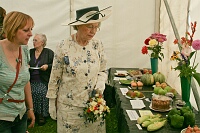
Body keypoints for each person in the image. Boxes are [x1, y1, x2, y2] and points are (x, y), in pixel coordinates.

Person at [46, 6, 112, 132]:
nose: (93, 31)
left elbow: (103, 70)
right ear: (78, 26)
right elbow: (55, 76)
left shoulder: (97, 44)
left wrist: (100, 84)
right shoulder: (63, 46)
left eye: (96, 27)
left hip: (94, 104)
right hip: (69, 109)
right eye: (90, 27)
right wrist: (51, 102)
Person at [0, 11, 35, 133]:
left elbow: (25, 81)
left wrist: (30, 108)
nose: (31, 34)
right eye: (26, 30)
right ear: (13, 30)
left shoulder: (25, 51)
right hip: (2, 118)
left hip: (20, 114)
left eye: (31, 29)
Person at [29, 33, 54, 126]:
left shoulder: (49, 53)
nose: (33, 42)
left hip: (43, 80)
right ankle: (30, 114)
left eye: (35, 40)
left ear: (42, 42)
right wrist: (26, 66)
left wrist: (47, 66)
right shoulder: (30, 52)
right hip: (30, 79)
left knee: (40, 91)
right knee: (28, 91)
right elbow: (23, 63)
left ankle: (40, 115)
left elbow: (55, 65)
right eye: (33, 40)